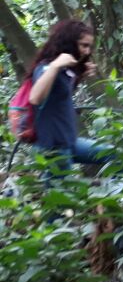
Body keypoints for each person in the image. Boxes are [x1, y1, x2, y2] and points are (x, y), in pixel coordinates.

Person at [27, 19, 110, 176]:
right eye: (84, 45)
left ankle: (114, 195)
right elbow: (35, 98)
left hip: (70, 143)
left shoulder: (65, 71)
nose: (87, 51)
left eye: (89, 47)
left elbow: (59, 96)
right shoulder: (46, 67)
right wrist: (55, 65)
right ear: (69, 43)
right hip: (54, 149)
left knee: (117, 153)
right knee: (61, 198)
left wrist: (80, 75)